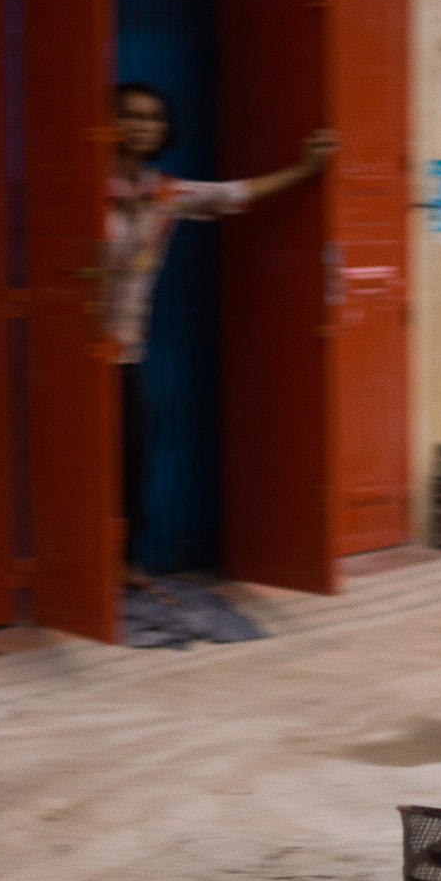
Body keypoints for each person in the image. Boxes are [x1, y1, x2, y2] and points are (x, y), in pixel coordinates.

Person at [106, 82, 337, 586]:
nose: (143, 125)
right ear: (109, 122)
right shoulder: (81, 187)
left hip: (124, 352)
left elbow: (233, 194)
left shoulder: (163, 193)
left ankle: (123, 563)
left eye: (153, 118)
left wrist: (303, 169)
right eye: (131, 115)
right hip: (69, 351)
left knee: (131, 457)